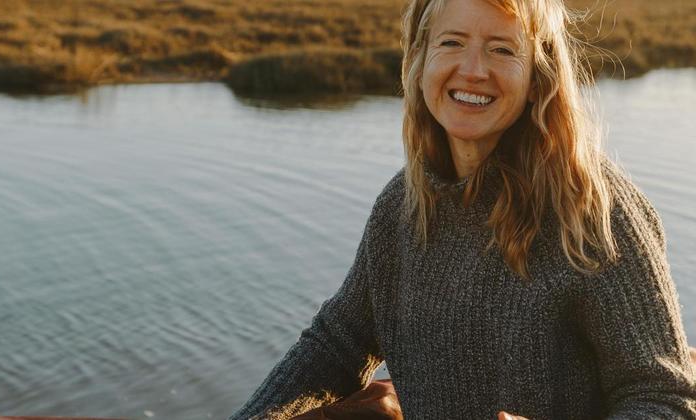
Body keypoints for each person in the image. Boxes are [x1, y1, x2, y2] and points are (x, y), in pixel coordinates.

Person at [230, 0, 696, 418]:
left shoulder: (596, 212)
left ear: (539, 76)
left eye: (502, 49)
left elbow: (662, 397)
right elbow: (336, 344)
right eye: (452, 42)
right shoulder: (403, 206)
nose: (473, 70)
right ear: (419, 60)